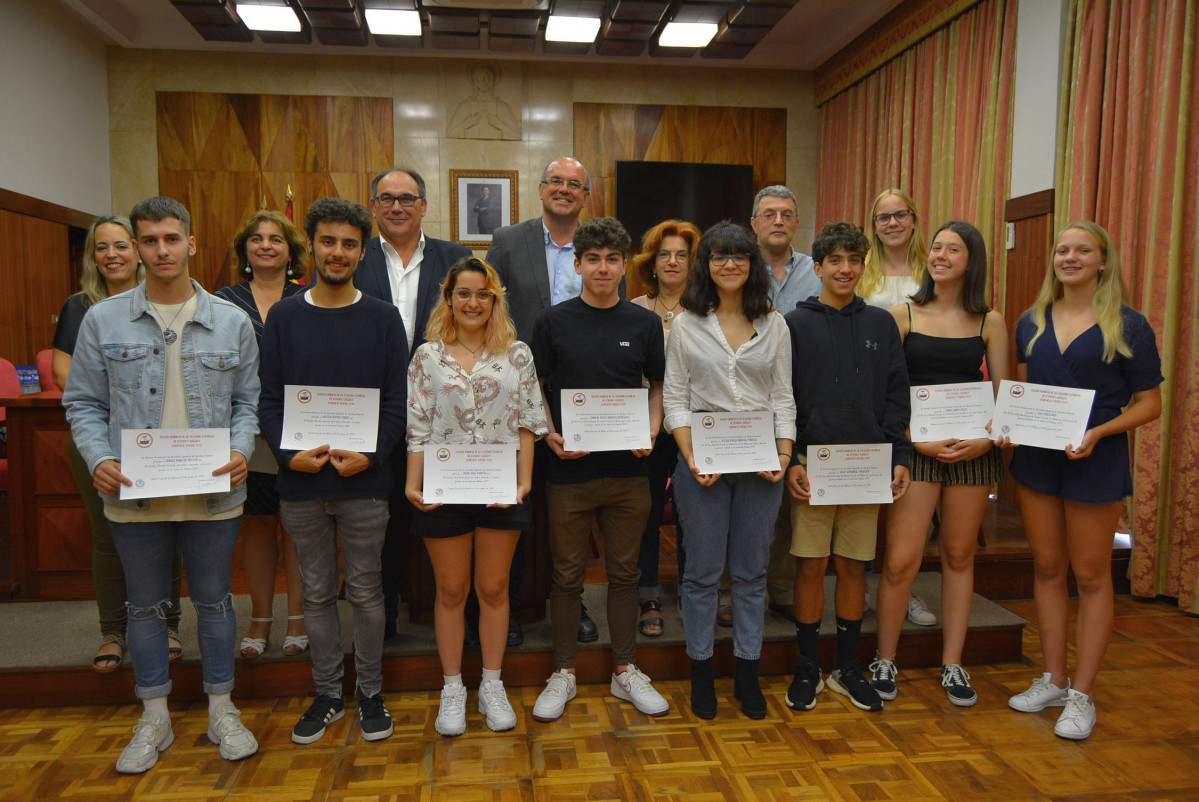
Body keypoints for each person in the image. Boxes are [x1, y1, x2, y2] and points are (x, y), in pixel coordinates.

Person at [63, 196, 260, 773]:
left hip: (212, 491)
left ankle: (222, 708)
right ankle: (154, 715)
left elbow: (249, 402)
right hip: (135, 491)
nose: (161, 250)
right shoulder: (104, 319)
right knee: (145, 608)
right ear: (137, 247)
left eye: (171, 239)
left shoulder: (231, 319)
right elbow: (82, 402)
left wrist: (240, 449)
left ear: (191, 243)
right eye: (149, 241)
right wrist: (98, 456)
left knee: (217, 602)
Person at [258, 197, 408, 746]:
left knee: (367, 593)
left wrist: (372, 455)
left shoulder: (383, 317)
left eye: (349, 243)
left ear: (362, 251)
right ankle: (326, 695)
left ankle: (369, 691)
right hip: (300, 482)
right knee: (317, 595)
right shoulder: (285, 315)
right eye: (328, 241)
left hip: (365, 482)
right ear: (312, 245)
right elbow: (268, 398)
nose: (338, 252)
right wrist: (283, 451)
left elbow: (397, 402)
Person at [1004, 222, 1162, 740]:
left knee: (1091, 576)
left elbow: (1150, 405)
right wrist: (1008, 425)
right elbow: (1026, 390)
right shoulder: (1032, 320)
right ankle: (1053, 678)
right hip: (1038, 459)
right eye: (1062, 249)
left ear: (1102, 261)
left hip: (1096, 458)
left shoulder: (1129, 325)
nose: (1069, 257)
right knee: (1048, 567)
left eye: (1082, 250)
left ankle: (1083, 695)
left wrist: (1097, 432)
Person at [530, 217, 670, 723]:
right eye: (593, 259)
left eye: (613, 259)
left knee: (625, 574)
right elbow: (538, 386)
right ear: (578, 264)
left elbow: (657, 386)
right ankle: (564, 671)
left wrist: (652, 430)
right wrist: (549, 434)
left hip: (630, 471)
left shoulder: (643, 322)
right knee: (567, 576)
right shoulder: (552, 321)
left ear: (624, 264)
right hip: (569, 471)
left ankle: (625, 669)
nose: (603, 268)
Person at [405, 256, 548, 736]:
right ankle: (452, 688)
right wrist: (412, 482)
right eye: (463, 293)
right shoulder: (428, 356)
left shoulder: (518, 354)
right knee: (450, 590)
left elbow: (529, 422)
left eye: (482, 294)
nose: (472, 302)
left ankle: (491, 683)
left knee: (492, 588)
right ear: (449, 298)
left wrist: (525, 480)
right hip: (444, 491)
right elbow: (418, 426)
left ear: (495, 300)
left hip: (500, 489)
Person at [870, 221, 1009, 707]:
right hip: (918, 452)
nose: (941, 255)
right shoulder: (901, 315)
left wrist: (984, 440)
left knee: (958, 557)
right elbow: (883, 394)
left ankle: (953, 663)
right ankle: (884, 658)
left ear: (972, 260)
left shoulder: (989, 320)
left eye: (954, 249)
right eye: (937, 248)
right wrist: (912, 441)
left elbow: (1003, 398)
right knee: (901, 560)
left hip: (974, 455)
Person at [663, 220, 795, 720]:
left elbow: (783, 398)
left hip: (763, 466)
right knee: (700, 574)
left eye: (739, 255)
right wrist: (692, 456)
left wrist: (783, 456)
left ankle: (746, 673)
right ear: (706, 265)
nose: (730, 264)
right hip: (703, 463)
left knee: (751, 573)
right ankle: (701, 673)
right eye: (719, 256)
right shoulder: (686, 323)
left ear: (752, 263)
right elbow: (675, 399)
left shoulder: (775, 324)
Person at [783, 221, 911, 715]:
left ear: (864, 266)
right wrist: (791, 456)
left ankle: (847, 667)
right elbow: (784, 398)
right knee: (812, 565)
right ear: (817, 267)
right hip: (814, 468)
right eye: (835, 260)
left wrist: (899, 456)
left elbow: (896, 396)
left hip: (867, 468)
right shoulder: (794, 324)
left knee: (853, 567)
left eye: (854, 261)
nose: (845, 269)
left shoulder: (881, 325)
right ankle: (808, 665)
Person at [51, 215, 185, 673]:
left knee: (168, 530)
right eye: (101, 248)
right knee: (108, 536)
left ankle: (168, 623)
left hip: (160, 442)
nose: (113, 255)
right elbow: (66, 377)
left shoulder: (171, 301)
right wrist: (120, 405)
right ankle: (113, 629)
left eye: (122, 246)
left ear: (139, 250)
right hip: (101, 442)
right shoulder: (82, 308)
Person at [354, 167, 472, 641]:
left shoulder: (454, 257)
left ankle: (443, 611)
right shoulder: (355, 258)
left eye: (407, 198)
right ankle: (383, 619)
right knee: (380, 520)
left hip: (443, 416)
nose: (397, 206)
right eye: (387, 198)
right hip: (371, 414)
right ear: (374, 206)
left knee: (442, 513)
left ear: (424, 205)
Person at [486, 156, 599, 645]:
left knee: (571, 508)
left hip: (581, 393)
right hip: (513, 392)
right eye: (556, 181)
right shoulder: (509, 240)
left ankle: (572, 606)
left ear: (586, 196)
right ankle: (504, 608)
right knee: (514, 503)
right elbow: (486, 304)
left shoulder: (598, 245)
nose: (564, 189)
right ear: (540, 188)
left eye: (575, 184)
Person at [215, 210, 310, 659]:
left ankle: (297, 617)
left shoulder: (310, 297)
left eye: (276, 238)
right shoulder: (223, 301)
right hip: (246, 431)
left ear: (291, 251)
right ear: (245, 249)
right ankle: (259, 617)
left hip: (302, 429)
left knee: (296, 527)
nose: (266, 245)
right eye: (257, 238)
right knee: (256, 526)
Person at [861, 188, 937, 628]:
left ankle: (906, 589)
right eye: (883, 217)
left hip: (926, 394)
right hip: (872, 395)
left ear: (913, 219)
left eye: (900, 215)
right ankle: (874, 585)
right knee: (874, 498)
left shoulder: (932, 270)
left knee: (913, 502)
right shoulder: (862, 272)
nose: (892, 224)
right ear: (874, 226)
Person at [748, 186, 820, 628]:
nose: (778, 220)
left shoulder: (817, 272)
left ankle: (780, 589)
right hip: (747, 401)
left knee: (791, 505)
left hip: (803, 398)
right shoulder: (734, 264)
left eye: (787, 214)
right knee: (745, 504)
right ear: (754, 222)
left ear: (797, 223)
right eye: (769, 213)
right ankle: (728, 591)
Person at [629, 219, 701, 638]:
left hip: (697, 426)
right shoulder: (634, 310)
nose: (672, 261)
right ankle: (649, 594)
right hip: (647, 428)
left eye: (682, 254)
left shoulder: (710, 311)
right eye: (664, 254)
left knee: (696, 514)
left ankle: (695, 590)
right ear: (651, 263)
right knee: (648, 513)